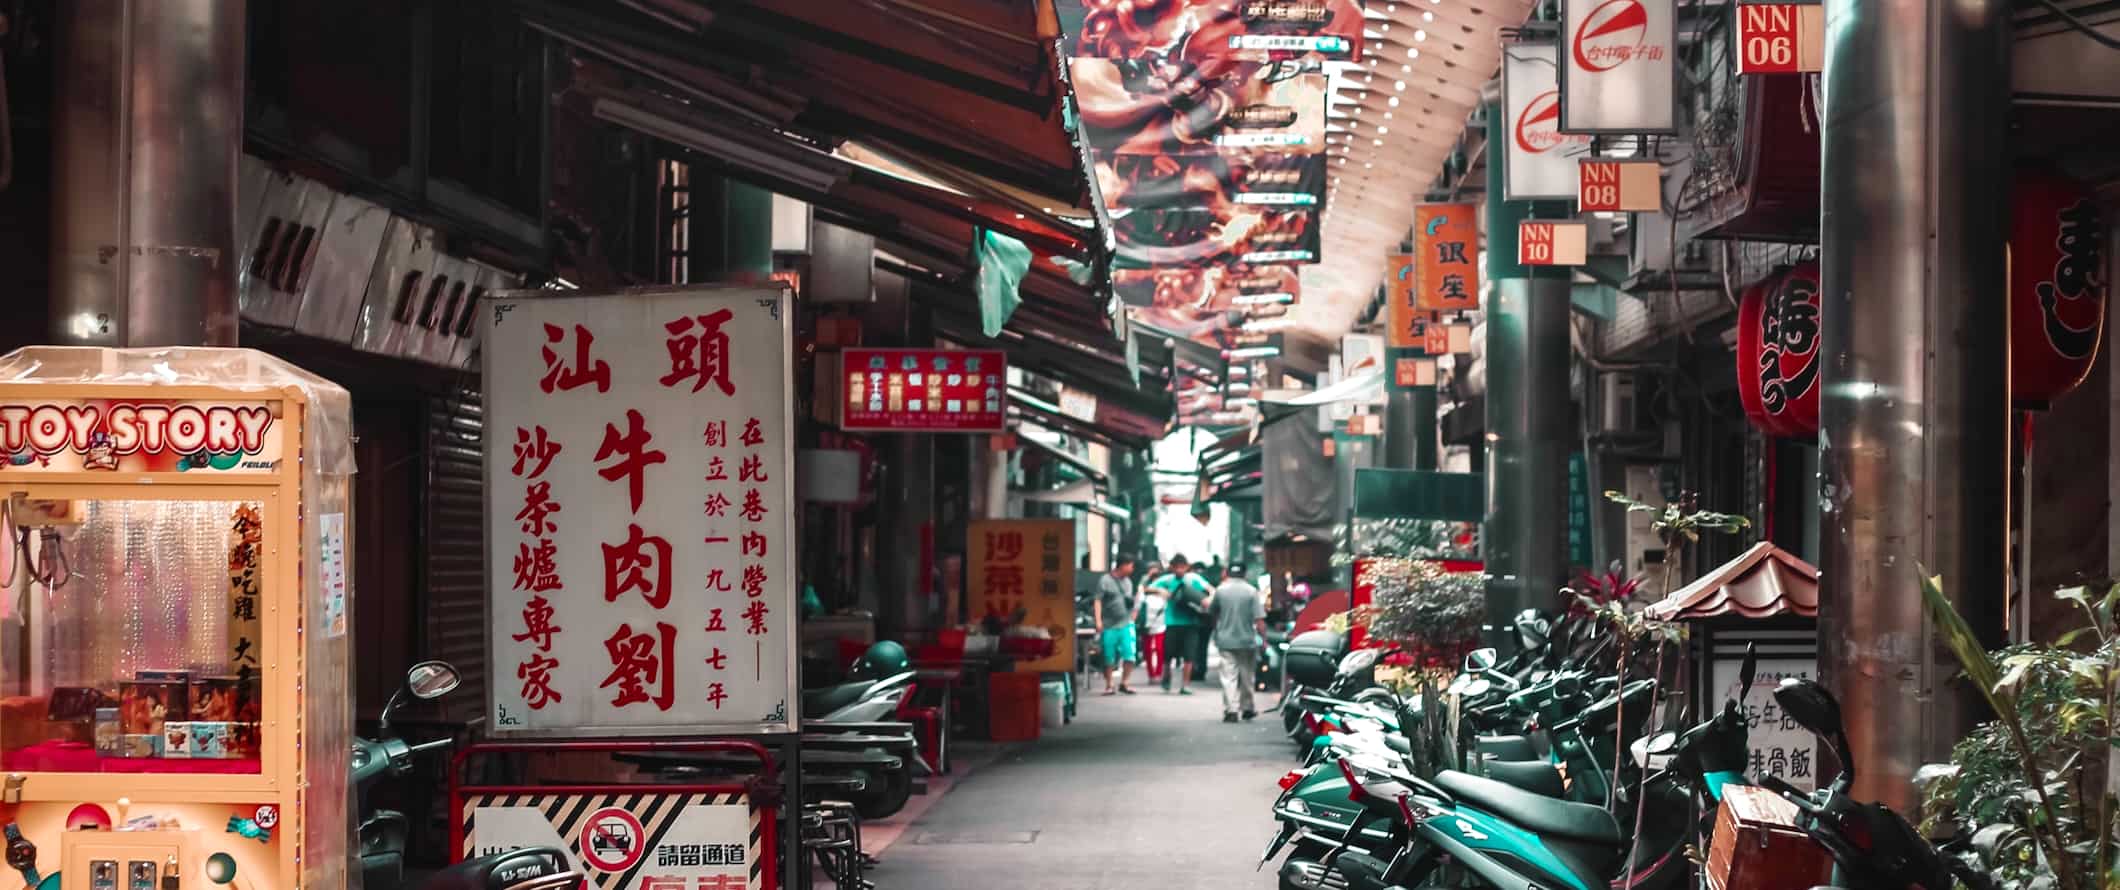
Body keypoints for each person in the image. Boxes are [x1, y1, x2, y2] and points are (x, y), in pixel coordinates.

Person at [1149, 554, 1214, 694]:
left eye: (1182, 567)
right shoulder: (1167, 580)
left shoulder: (1194, 579)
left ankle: (1185, 685)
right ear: (1172, 567)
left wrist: (1206, 601)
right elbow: (1148, 588)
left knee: (1189, 656)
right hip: (1172, 623)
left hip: (1191, 623)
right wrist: (1160, 590)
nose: (1179, 570)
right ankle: (1166, 678)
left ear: (1187, 567)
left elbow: (1211, 589)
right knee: (1168, 655)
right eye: (1176, 567)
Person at [1209, 563, 1266, 722]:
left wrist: (1217, 631)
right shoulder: (1251, 591)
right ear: (1245, 574)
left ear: (1228, 573)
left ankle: (1231, 710)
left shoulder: (1220, 590)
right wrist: (1264, 640)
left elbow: (1213, 614)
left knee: (1228, 676)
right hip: (1247, 640)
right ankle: (1247, 708)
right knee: (1247, 676)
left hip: (1226, 640)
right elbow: (1259, 619)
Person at [1092, 555, 1140, 695]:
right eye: (1130, 565)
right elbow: (1098, 601)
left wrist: (1133, 614)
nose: (1132, 569)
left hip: (1126, 623)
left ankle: (1124, 683)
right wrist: (1098, 620)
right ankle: (1109, 685)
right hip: (1109, 624)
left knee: (1130, 654)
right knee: (1108, 655)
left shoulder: (1128, 582)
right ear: (1123, 565)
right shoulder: (1105, 580)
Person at [1139, 576, 1169, 683]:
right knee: (1147, 650)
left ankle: (1158, 673)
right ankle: (1151, 674)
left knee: (1160, 649)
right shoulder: (1144, 596)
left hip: (1160, 625)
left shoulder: (1164, 595)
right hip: (1146, 625)